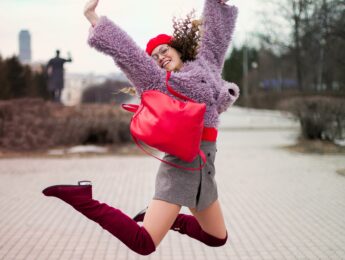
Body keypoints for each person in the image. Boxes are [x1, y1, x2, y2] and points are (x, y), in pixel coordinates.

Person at [42, 0, 239, 255]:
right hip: (182, 167)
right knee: (143, 243)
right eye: (155, 57)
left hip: (206, 170)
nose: (161, 57)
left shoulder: (206, 64)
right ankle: (84, 199)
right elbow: (130, 55)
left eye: (164, 50)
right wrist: (94, 18)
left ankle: (172, 220)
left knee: (217, 238)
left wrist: (216, 4)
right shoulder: (159, 81)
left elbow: (215, 38)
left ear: (178, 49)